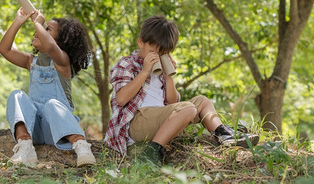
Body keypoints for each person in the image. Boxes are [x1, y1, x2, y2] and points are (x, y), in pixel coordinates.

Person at [104, 15, 259, 166]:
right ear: (141, 43)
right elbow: (121, 99)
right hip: (136, 122)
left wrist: (168, 76)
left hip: (161, 118)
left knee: (202, 101)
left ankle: (223, 134)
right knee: (189, 109)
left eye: (163, 53)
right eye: (154, 51)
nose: (158, 56)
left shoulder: (162, 70)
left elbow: (172, 102)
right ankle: (152, 151)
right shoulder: (127, 64)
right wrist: (144, 72)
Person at [0, 8, 96, 167]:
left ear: (61, 41)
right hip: (35, 129)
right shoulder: (31, 62)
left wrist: (38, 22)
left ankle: (81, 146)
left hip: (59, 130)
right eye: (41, 28)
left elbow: (51, 48)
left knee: (52, 104)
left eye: (47, 29)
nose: (39, 30)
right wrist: (19, 20)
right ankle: (25, 146)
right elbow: (4, 49)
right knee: (17, 95)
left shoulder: (62, 61)